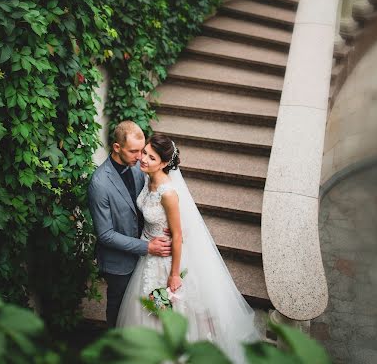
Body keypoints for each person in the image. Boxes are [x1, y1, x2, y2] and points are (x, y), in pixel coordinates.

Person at [117, 133, 259, 362]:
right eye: (144, 153)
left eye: (151, 158)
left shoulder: (169, 194)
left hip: (164, 259)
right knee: (144, 310)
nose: (143, 159)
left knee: (163, 311)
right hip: (149, 249)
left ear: (164, 164)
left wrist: (174, 275)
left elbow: (179, 235)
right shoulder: (147, 178)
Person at [88, 121, 172, 327]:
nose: (140, 157)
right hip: (119, 263)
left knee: (150, 305)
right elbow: (105, 234)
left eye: (142, 151)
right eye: (134, 151)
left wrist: (163, 223)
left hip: (147, 257)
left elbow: (150, 202)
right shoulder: (99, 183)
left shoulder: (138, 168)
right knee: (119, 310)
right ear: (117, 148)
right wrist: (147, 247)